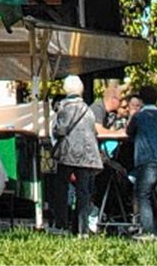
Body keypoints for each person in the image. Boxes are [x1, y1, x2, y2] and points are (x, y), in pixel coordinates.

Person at [49, 75, 102, 235]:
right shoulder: (88, 109)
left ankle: (61, 224)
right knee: (83, 192)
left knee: (61, 188)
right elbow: (93, 131)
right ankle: (82, 229)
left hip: (68, 153)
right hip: (86, 154)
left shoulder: (64, 107)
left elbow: (60, 130)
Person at [126, 86, 157, 237]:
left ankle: (148, 231)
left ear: (141, 100)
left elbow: (129, 132)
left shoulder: (139, 116)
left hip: (148, 161)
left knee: (144, 195)